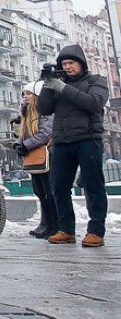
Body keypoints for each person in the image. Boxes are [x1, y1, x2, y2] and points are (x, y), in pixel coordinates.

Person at [39, 45, 109, 247]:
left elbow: (94, 103)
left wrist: (62, 87)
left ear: (81, 63)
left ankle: (96, 231)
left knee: (93, 186)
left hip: (88, 139)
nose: (67, 67)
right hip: (62, 141)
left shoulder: (96, 81)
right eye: (64, 64)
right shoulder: (59, 84)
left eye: (71, 63)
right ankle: (66, 229)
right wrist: (48, 84)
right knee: (59, 187)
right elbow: (44, 108)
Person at [12, 81, 58, 239]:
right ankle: (45, 223)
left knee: (48, 191)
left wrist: (25, 145)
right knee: (39, 191)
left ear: (37, 95)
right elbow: (23, 132)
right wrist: (19, 144)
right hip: (34, 155)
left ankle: (54, 224)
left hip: (46, 155)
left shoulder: (45, 111)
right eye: (24, 94)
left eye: (28, 94)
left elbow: (46, 132)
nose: (25, 97)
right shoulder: (27, 112)